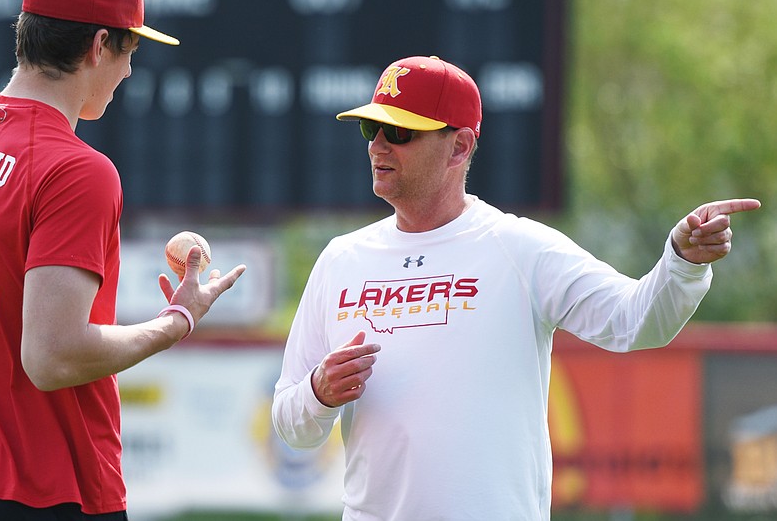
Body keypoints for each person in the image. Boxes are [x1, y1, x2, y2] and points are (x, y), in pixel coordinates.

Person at [271, 54, 760, 521]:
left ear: (459, 147)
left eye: (399, 132)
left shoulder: (519, 247)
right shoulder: (341, 259)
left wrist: (682, 263)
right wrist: (319, 392)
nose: (378, 145)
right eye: (370, 128)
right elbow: (291, 424)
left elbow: (635, 322)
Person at [0, 0, 245, 521]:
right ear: (98, 45)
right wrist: (175, 322)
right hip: (55, 494)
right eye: (129, 48)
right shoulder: (77, 169)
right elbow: (51, 357)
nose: (130, 69)